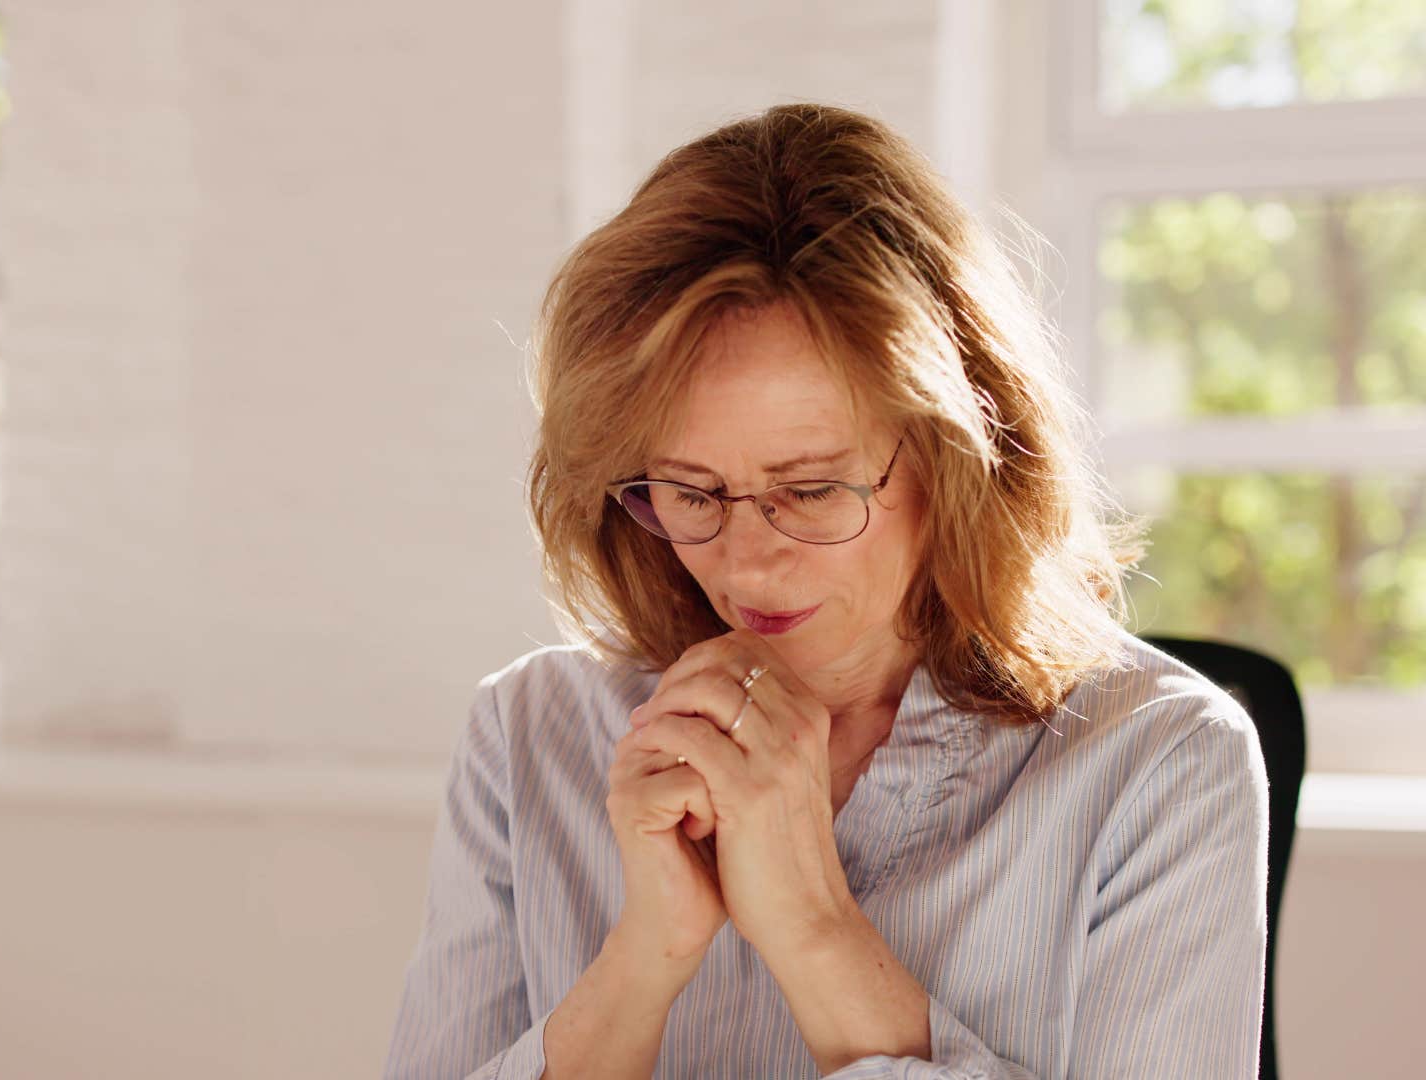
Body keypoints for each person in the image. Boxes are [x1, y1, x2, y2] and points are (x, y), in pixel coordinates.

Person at [385, 102, 1268, 1079]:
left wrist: (811, 927)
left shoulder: (1161, 761)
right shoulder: (529, 734)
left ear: (958, 457)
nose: (747, 564)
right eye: (691, 492)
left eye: (809, 491)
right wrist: (645, 959)